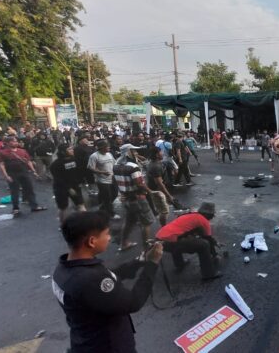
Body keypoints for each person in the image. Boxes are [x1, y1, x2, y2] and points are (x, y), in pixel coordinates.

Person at [52, 211, 163, 353]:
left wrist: (139, 261)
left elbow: (109, 274)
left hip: (84, 341)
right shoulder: (91, 280)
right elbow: (133, 302)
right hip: (109, 346)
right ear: (92, 241)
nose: (109, 238)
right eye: (107, 234)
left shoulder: (63, 269)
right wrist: (152, 264)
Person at [155, 202, 222, 281]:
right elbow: (208, 239)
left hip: (159, 239)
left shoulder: (190, 215)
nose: (212, 217)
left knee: (179, 239)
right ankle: (209, 274)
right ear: (209, 214)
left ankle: (180, 264)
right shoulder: (203, 221)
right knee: (204, 244)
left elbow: (184, 232)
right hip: (169, 242)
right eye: (212, 215)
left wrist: (213, 242)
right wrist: (215, 254)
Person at [113, 144, 155, 251]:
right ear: (128, 152)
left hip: (126, 198)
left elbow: (117, 182)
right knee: (146, 222)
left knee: (129, 221)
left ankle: (124, 243)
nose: (136, 153)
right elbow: (139, 183)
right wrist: (150, 192)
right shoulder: (132, 166)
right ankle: (146, 246)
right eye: (134, 151)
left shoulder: (116, 165)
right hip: (138, 197)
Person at [0, 136, 47, 215]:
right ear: (8, 143)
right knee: (14, 191)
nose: (16, 143)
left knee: (29, 189)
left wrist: (34, 171)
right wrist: (6, 176)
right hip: (12, 174)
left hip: (24, 172)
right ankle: (16, 208)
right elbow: (1, 164)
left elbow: (28, 162)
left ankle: (34, 206)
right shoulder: (2, 152)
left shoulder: (22, 151)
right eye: (13, 141)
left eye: (16, 141)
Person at [50, 144, 87, 224]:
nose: (72, 150)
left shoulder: (75, 160)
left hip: (75, 186)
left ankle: (85, 224)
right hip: (61, 188)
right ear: (63, 152)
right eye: (69, 149)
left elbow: (79, 172)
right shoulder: (56, 164)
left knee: (80, 204)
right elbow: (58, 179)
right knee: (63, 208)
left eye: (72, 149)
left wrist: (80, 182)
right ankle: (63, 224)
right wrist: (68, 188)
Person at [88, 140, 119, 220]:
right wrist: (102, 172)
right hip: (102, 181)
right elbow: (91, 168)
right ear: (102, 148)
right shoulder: (94, 156)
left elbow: (114, 163)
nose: (109, 147)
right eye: (107, 146)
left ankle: (103, 206)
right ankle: (111, 213)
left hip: (112, 177)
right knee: (107, 197)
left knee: (115, 194)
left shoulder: (109, 154)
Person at [147, 148, 173, 226]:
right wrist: (168, 195)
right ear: (157, 154)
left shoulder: (155, 163)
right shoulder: (156, 166)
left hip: (157, 190)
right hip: (157, 191)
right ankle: (164, 229)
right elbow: (159, 183)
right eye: (161, 152)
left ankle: (164, 228)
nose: (162, 153)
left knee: (164, 210)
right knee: (164, 211)